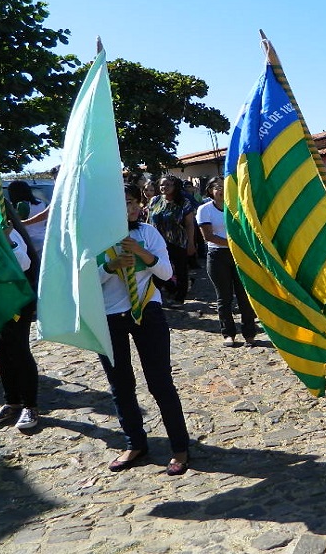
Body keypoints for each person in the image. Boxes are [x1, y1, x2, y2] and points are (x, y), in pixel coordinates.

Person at [96, 184, 190, 476]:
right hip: (109, 316)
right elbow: (82, 281)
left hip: (147, 310)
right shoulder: (96, 237)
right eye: (126, 202)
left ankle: (180, 447)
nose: (134, 208)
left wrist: (142, 253)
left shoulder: (147, 233)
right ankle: (134, 443)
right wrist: (109, 267)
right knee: (120, 384)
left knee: (160, 382)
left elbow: (166, 273)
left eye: (135, 202)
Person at [0, 228, 40, 430]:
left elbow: (23, 263)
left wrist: (6, 238)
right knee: (2, 350)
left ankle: (30, 406)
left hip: (15, 299)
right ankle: (11, 402)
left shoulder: (7, 230)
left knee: (19, 349)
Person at [196, 176, 261, 347]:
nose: (221, 190)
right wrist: (233, 245)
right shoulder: (204, 209)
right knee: (224, 298)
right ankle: (228, 333)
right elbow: (208, 236)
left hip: (240, 255)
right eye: (217, 187)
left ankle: (249, 333)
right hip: (218, 255)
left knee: (244, 296)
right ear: (210, 190)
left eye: (225, 186)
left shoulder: (237, 206)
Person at [146, 175, 197, 308]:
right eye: (162, 184)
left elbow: (190, 224)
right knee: (157, 269)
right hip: (157, 242)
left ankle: (180, 297)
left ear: (175, 187)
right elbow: (149, 219)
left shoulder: (184, 202)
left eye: (168, 185)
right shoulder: (155, 200)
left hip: (177, 241)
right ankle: (161, 295)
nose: (164, 187)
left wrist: (191, 243)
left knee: (180, 270)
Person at [7, 180, 48, 254]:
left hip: (30, 240)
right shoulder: (41, 203)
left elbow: (17, 223)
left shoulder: (22, 205)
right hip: (43, 237)